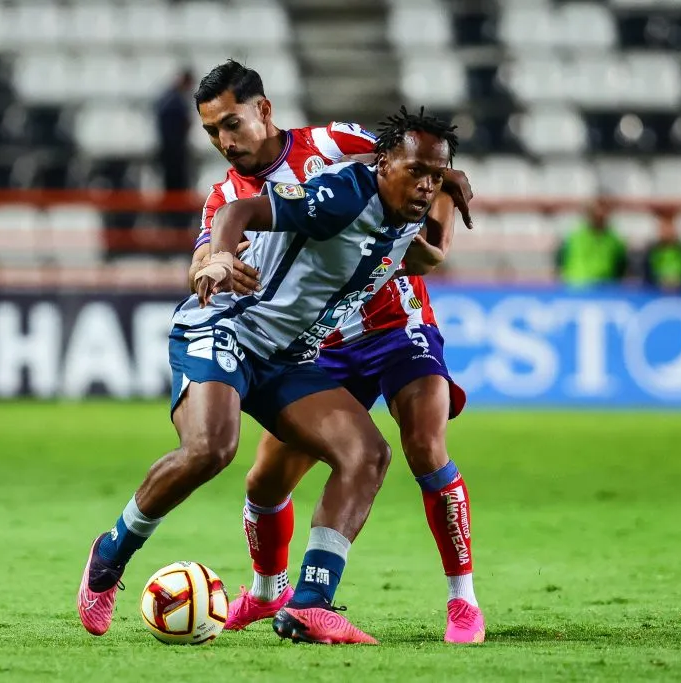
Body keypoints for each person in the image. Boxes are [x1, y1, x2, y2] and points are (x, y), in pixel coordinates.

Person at [77, 107, 458, 646]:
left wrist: (443, 186)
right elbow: (237, 210)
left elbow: (417, 255)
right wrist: (219, 259)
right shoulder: (343, 196)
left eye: (434, 176)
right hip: (228, 328)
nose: (425, 185)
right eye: (415, 171)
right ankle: (111, 551)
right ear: (383, 163)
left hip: (288, 357)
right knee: (211, 450)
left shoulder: (406, 204)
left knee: (366, 455)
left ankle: (308, 604)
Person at [188, 61, 484, 643]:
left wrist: (447, 180)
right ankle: (267, 591)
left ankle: (462, 600)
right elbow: (206, 252)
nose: (226, 141)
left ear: (263, 110)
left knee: (424, 444)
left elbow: (416, 161)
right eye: (212, 132)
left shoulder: (334, 143)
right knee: (264, 483)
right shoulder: (223, 196)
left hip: (397, 323)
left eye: (232, 124)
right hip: (320, 340)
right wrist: (211, 264)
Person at [155, 69, 196, 227]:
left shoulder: (168, 99)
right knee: (175, 189)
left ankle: (173, 223)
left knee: (173, 189)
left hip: (172, 152)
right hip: (174, 153)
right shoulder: (174, 101)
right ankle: (175, 224)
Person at [555, 199, 628, 287]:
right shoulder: (574, 238)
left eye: (602, 215)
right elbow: (560, 260)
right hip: (577, 287)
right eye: (596, 214)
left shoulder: (615, 240)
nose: (599, 217)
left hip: (605, 288)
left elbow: (621, 266)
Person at [642, 212, 681, 294]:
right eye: (663, 228)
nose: (666, 231)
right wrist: (659, 281)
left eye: (669, 228)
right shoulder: (652, 251)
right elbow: (647, 274)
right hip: (656, 293)